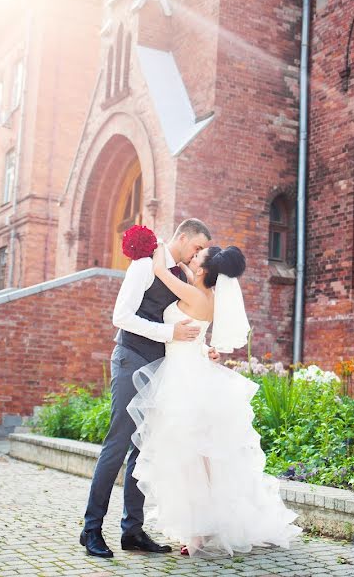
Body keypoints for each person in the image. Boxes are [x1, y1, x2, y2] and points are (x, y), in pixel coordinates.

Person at [126, 244, 302, 558]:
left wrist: (160, 245)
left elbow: (158, 271)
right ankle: (202, 527)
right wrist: (207, 349)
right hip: (191, 369)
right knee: (198, 458)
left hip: (184, 378)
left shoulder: (195, 294)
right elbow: (198, 335)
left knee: (192, 458)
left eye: (197, 257)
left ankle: (199, 531)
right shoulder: (206, 295)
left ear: (205, 270)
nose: (192, 258)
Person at [80, 219, 214, 558]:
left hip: (161, 369)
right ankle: (91, 529)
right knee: (118, 442)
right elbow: (121, 317)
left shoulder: (180, 276)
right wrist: (169, 335)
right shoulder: (143, 265)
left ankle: (132, 531)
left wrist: (201, 346)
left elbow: (185, 322)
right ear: (182, 237)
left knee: (144, 448)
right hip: (131, 360)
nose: (198, 254)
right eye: (197, 247)